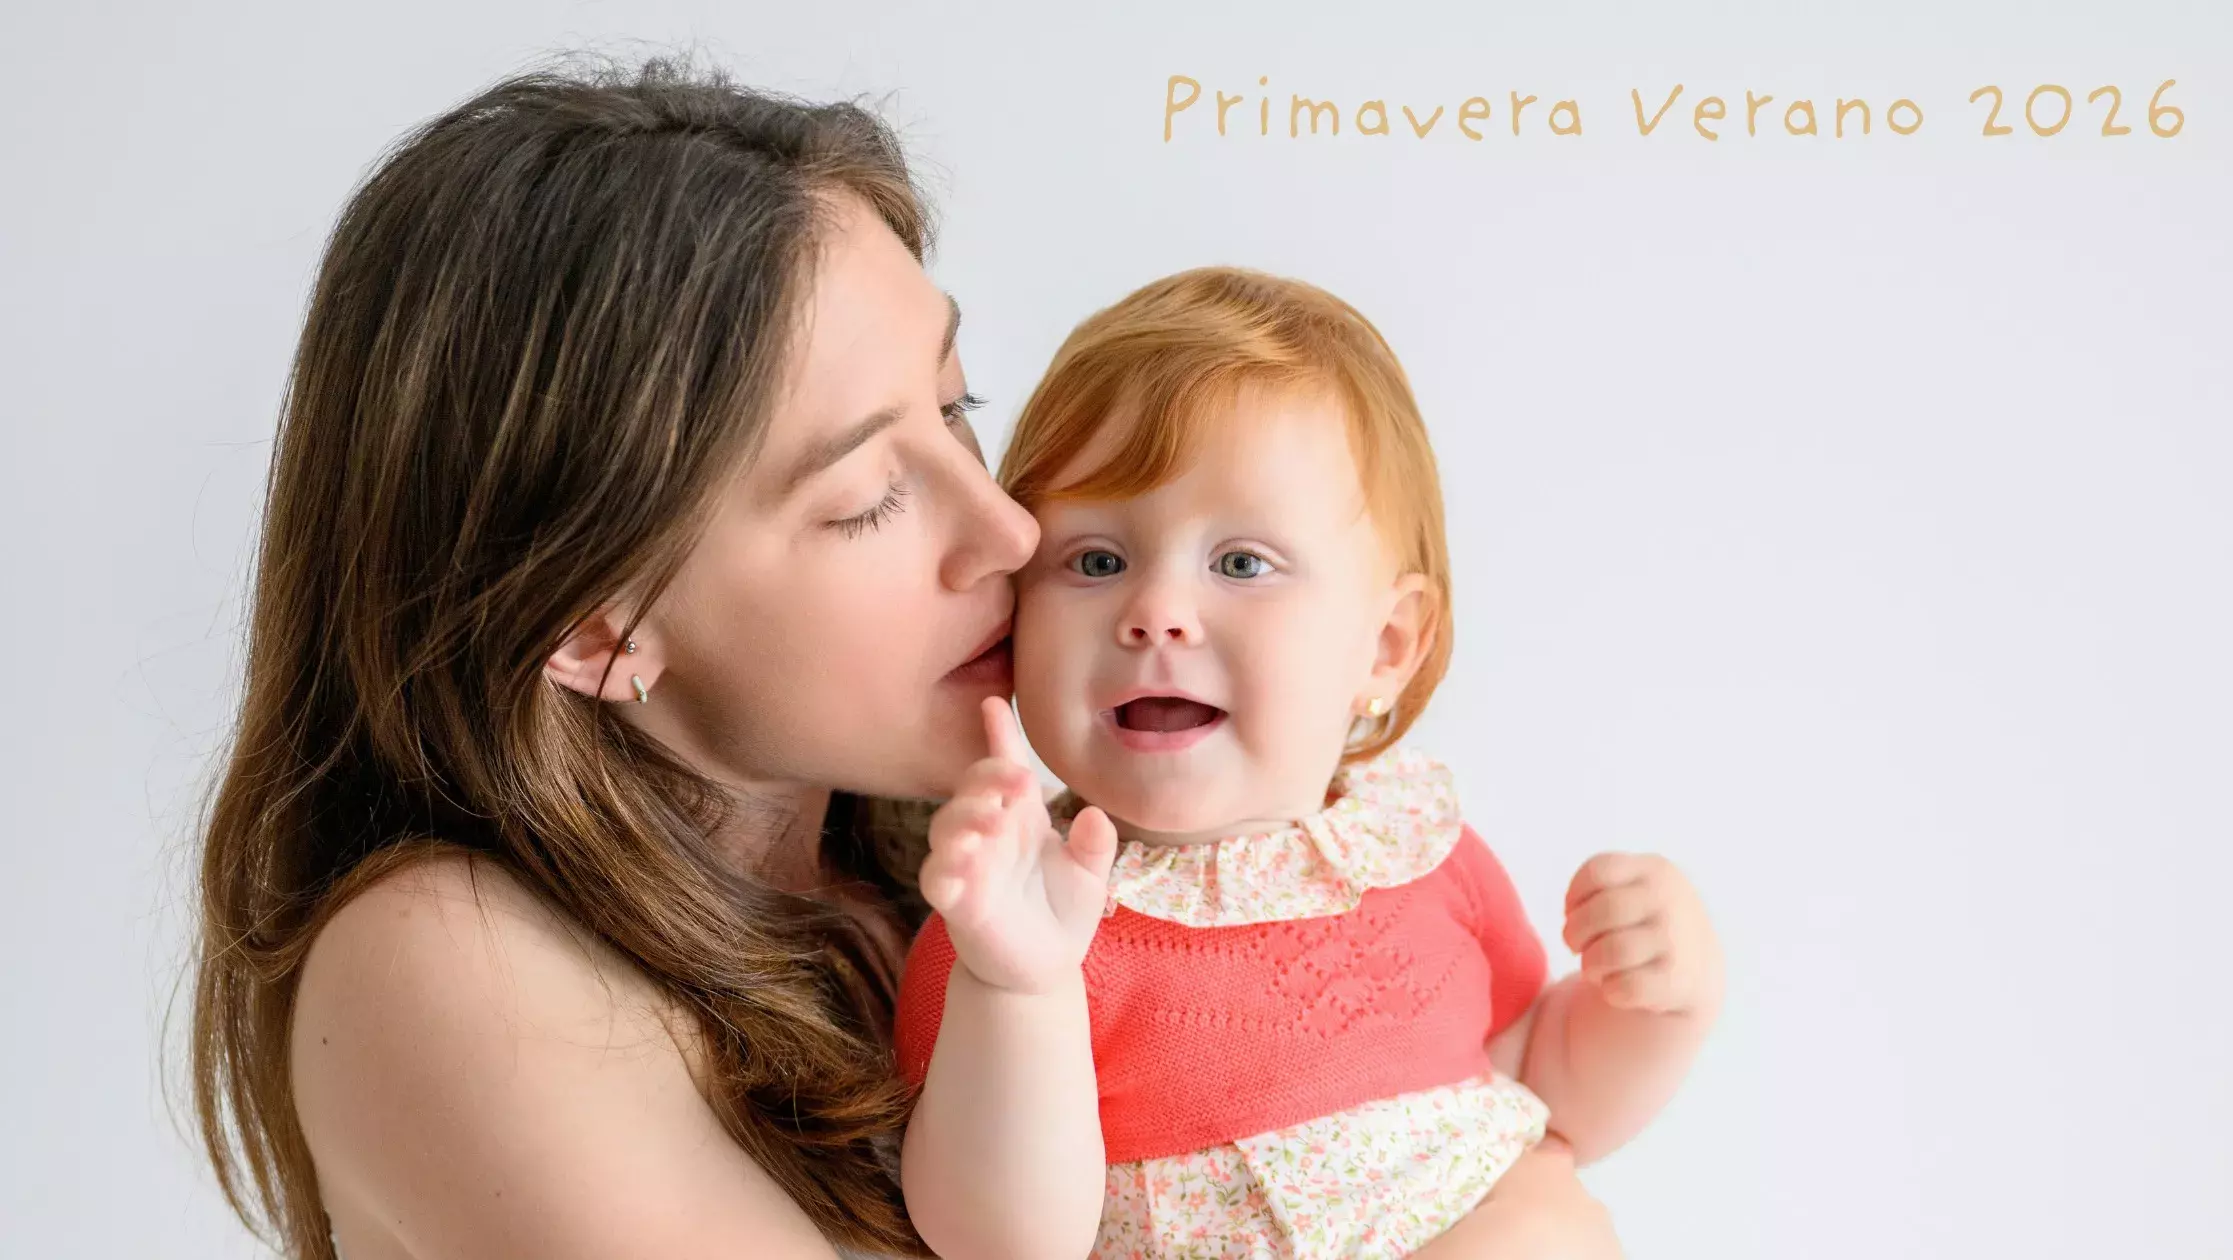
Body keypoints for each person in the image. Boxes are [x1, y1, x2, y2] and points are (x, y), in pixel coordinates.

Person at [188, 58, 1625, 1259]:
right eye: (870, 494)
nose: (1011, 529)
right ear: (596, 623)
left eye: (957, 407)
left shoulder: (967, 863)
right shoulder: (443, 958)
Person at [895, 268, 1722, 1259]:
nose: (1155, 612)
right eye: (1097, 561)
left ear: (1385, 646)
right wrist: (1020, 986)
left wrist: (1660, 1004)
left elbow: (1542, 1081)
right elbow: (999, 1242)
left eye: (1241, 564)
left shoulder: (1418, 857)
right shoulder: (1017, 918)